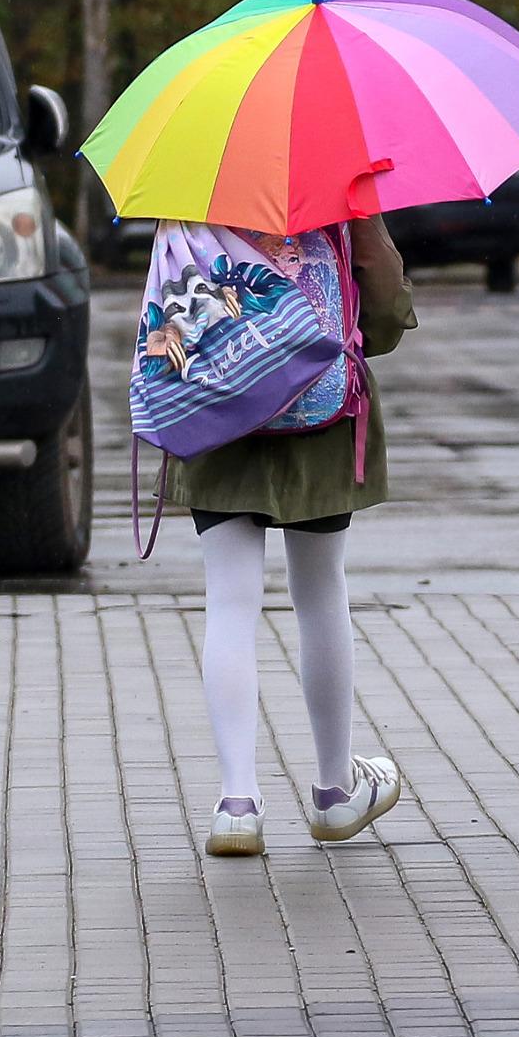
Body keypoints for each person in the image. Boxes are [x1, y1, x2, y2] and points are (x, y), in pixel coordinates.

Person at [175, 212, 419, 858]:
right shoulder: (338, 173)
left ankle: (237, 803)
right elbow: (384, 297)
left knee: (228, 600)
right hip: (318, 409)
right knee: (319, 590)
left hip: (216, 410)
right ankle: (336, 793)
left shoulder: (193, 175)